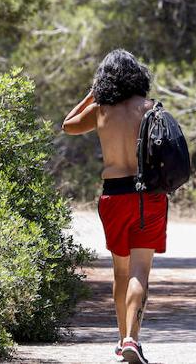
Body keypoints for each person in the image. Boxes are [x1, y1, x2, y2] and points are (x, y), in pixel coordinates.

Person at [63, 49, 166, 364]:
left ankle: (123, 340)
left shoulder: (99, 110)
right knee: (140, 272)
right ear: (138, 76)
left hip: (113, 197)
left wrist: (91, 95)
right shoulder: (150, 109)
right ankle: (132, 339)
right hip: (148, 197)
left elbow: (68, 125)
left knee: (120, 272)